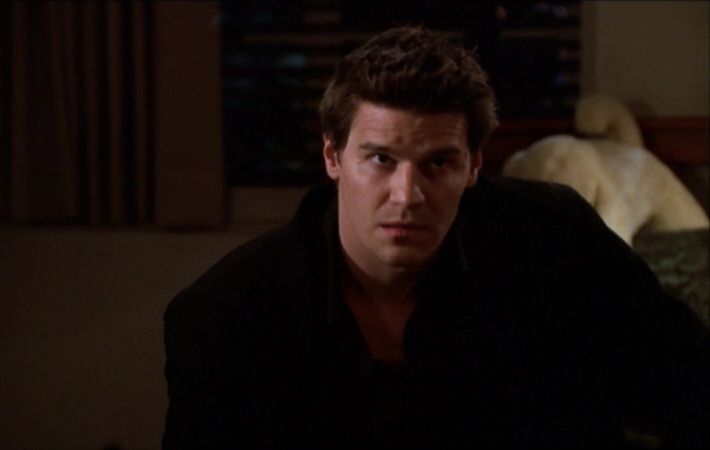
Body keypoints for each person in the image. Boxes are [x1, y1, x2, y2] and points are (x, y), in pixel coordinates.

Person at [162, 26, 709, 449]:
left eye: (438, 163)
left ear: (473, 165)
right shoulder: (226, 315)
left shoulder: (556, 243)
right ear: (333, 156)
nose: (407, 195)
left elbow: (691, 385)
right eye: (381, 159)